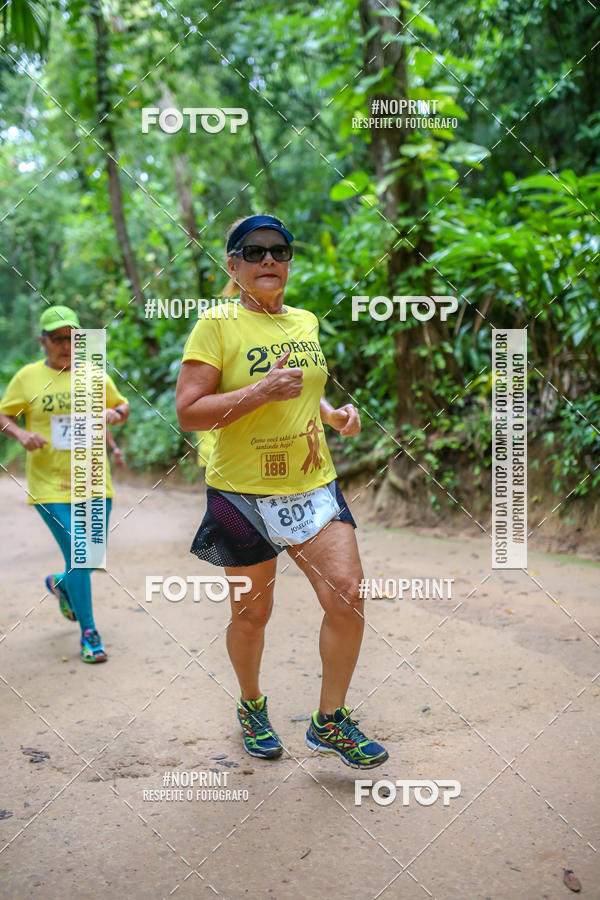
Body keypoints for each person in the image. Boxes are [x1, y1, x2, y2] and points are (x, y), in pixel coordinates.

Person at [176, 214, 388, 769]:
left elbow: (303, 381)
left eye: (280, 250)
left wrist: (333, 415)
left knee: (348, 592)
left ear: (289, 262)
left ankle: (329, 721)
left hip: (311, 484)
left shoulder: (305, 321)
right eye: (254, 251)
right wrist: (260, 390)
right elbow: (189, 412)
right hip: (241, 493)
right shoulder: (216, 325)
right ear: (234, 264)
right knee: (252, 615)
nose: (269, 259)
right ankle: (251, 704)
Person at [0, 305, 129, 663]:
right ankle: (90, 634)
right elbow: (4, 414)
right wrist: (21, 433)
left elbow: (122, 407)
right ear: (42, 341)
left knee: (89, 556)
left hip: (94, 481)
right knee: (80, 551)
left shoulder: (93, 373)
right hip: (49, 484)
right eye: (57, 338)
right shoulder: (27, 377)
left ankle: (62, 583)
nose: (65, 345)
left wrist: (113, 415)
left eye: (73, 338)